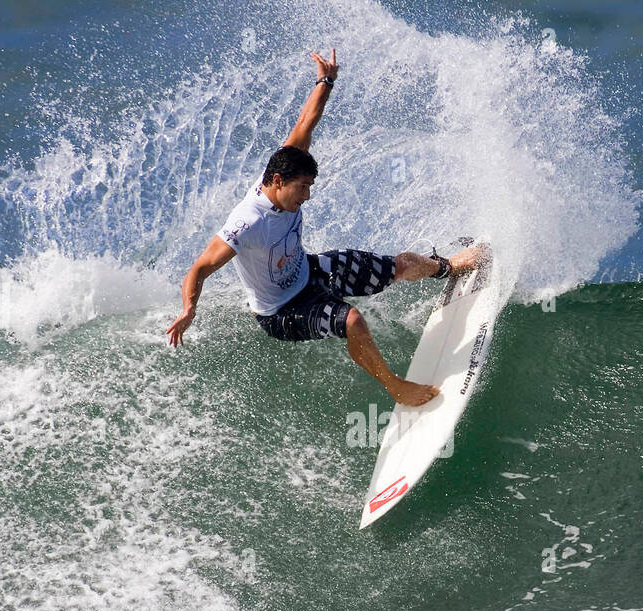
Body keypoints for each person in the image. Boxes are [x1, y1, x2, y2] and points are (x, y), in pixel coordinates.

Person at [165, 48, 485, 407]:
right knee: (353, 321)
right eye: (302, 188)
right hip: (281, 312)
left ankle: (449, 266)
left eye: (310, 187)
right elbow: (200, 268)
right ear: (277, 181)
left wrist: (326, 80)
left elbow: (306, 121)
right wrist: (189, 310)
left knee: (405, 264)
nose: (307, 196)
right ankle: (397, 387)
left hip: (311, 270)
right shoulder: (247, 222)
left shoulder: (288, 163)